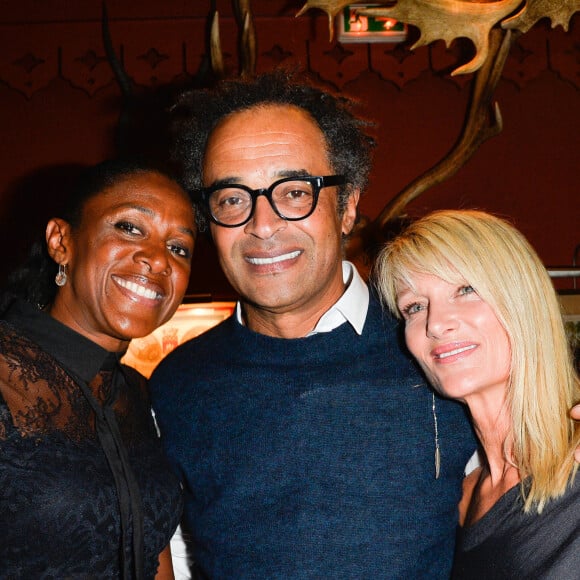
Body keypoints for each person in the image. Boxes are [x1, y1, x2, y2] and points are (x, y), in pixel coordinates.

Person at [149, 71, 477, 578]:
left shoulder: (442, 352)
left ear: (347, 207)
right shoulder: (177, 385)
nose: (262, 224)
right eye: (232, 198)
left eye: (295, 192)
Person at [0, 158, 197, 578]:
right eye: (129, 228)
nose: (159, 260)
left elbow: (152, 550)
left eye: (179, 248)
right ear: (60, 241)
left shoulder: (136, 395)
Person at [376, 209, 580, 578]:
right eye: (414, 306)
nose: (436, 323)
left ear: (523, 300)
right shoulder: (457, 494)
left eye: (465, 289)